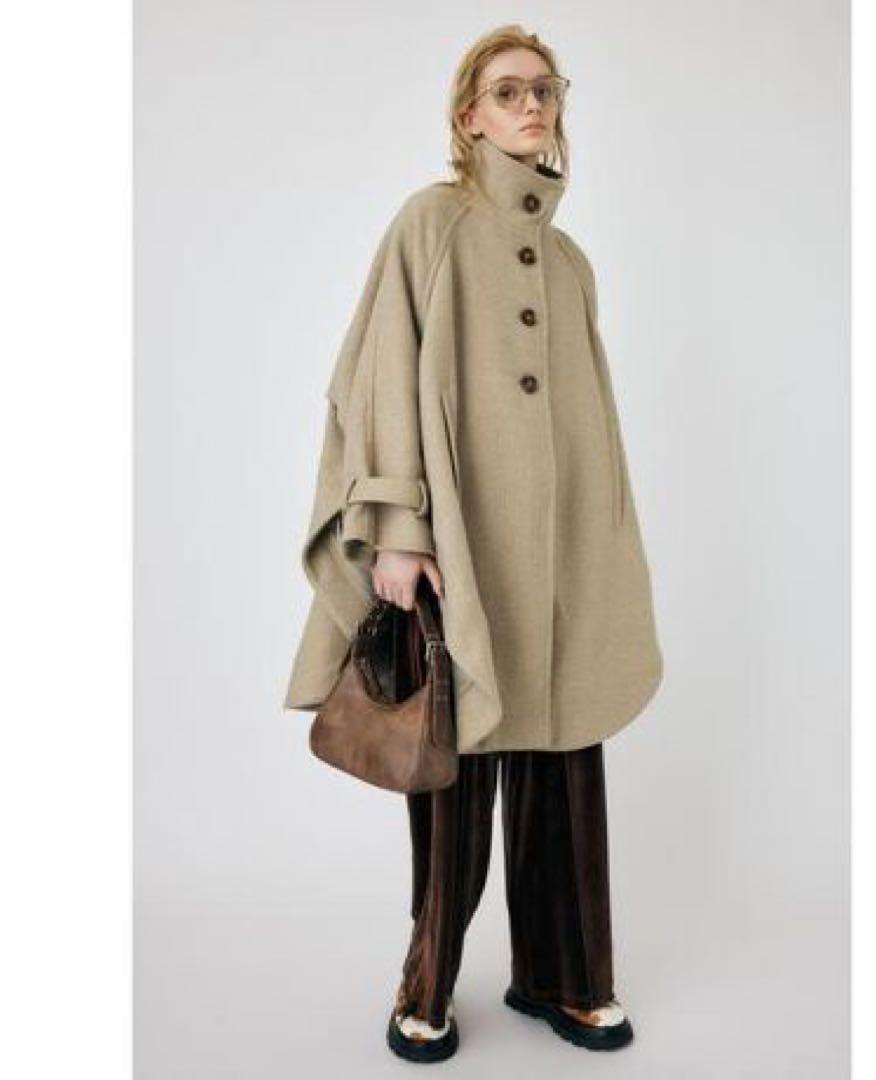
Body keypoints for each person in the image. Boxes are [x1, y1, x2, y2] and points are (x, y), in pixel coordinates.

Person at [284, 24, 663, 1063]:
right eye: (508, 91)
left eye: (545, 89)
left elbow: (590, 420)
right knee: (452, 769)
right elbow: (378, 377)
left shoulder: (572, 264)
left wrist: (608, 548)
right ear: (470, 116)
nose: (532, 105)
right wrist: (398, 528)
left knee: (565, 760)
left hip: (566, 562)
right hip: (458, 545)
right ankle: (428, 984)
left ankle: (565, 978)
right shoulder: (432, 223)